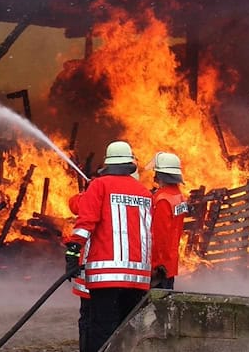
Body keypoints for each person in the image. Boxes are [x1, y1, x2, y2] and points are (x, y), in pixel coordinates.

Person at [64, 140, 152, 352]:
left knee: (102, 331)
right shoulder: (145, 193)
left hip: (106, 276)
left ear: (108, 164)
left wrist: (72, 252)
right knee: (127, 331)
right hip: (138, 278)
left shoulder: (99, 186)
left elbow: (86, 222)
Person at [146, 151, 188, 290]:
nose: (154, 176)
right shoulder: (178, 196)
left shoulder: (163, 199)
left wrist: (155, 267)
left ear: (160, 175)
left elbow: (159, 237)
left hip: (159, 268)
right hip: (170, 262)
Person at [66, 191, 90, 352]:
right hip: (126, 277)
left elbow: (75, 205)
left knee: (89, 320)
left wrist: (72, 254)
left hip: (93, 275)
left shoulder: (95, 197)